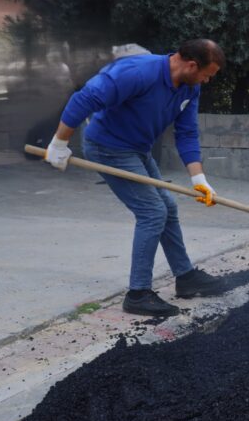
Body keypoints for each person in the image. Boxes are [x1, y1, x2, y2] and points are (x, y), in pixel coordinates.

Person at [43, 39, 228, 317]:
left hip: (138, 149)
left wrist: (198, 178)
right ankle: (138, 293)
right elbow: (85, 98)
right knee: (152, 212)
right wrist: (59, 142)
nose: (208, 80)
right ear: (192, 65)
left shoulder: (190, 87)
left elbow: (187, 132)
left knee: (168, 207)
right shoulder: (138, 72)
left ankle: (186, 277)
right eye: (208, 73)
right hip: (109, 147)